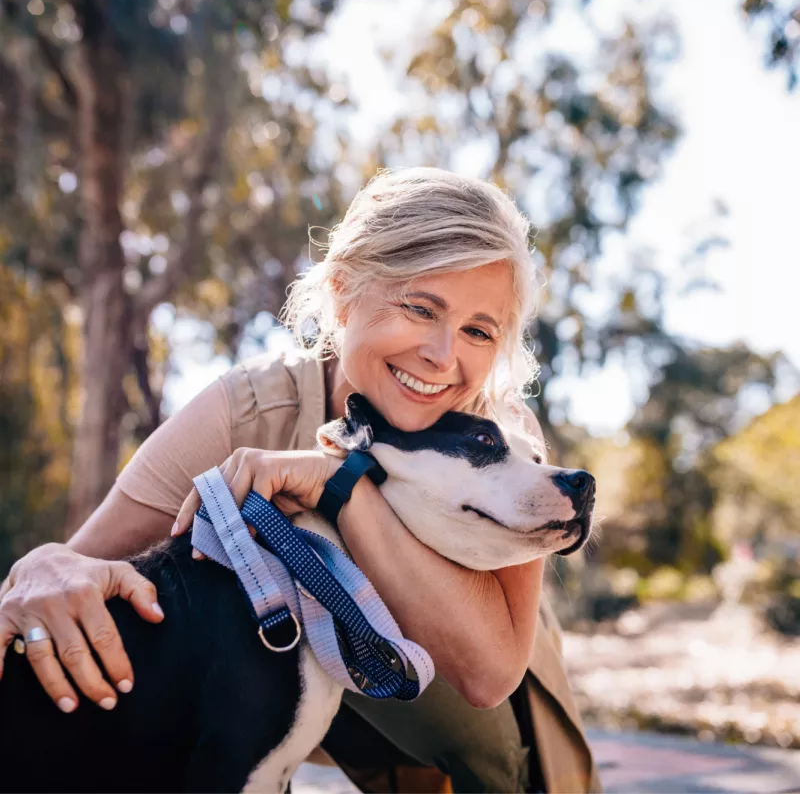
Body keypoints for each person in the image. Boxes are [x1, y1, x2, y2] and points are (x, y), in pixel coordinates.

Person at [0, 168, 601, 793]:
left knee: (502, 764)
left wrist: (338, 486)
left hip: (464, 707)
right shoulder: (252, 409)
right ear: (343, 292)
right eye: (420, 308)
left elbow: (488, 674)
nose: (443, 355)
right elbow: (81, 568)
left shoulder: (505, 439)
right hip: (282, 679)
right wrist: (41, 568)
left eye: (479, 331)